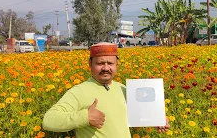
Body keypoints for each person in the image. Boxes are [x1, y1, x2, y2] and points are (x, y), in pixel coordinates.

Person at [42, 42, 170, 137]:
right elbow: (49, 120)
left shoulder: (124, 89)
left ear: (116, 65)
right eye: (100, 63)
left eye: (110, 63)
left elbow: (138, 115)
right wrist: (85, 117)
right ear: (90, 64)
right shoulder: (78, 92)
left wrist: (157, 120)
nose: (106, 68)